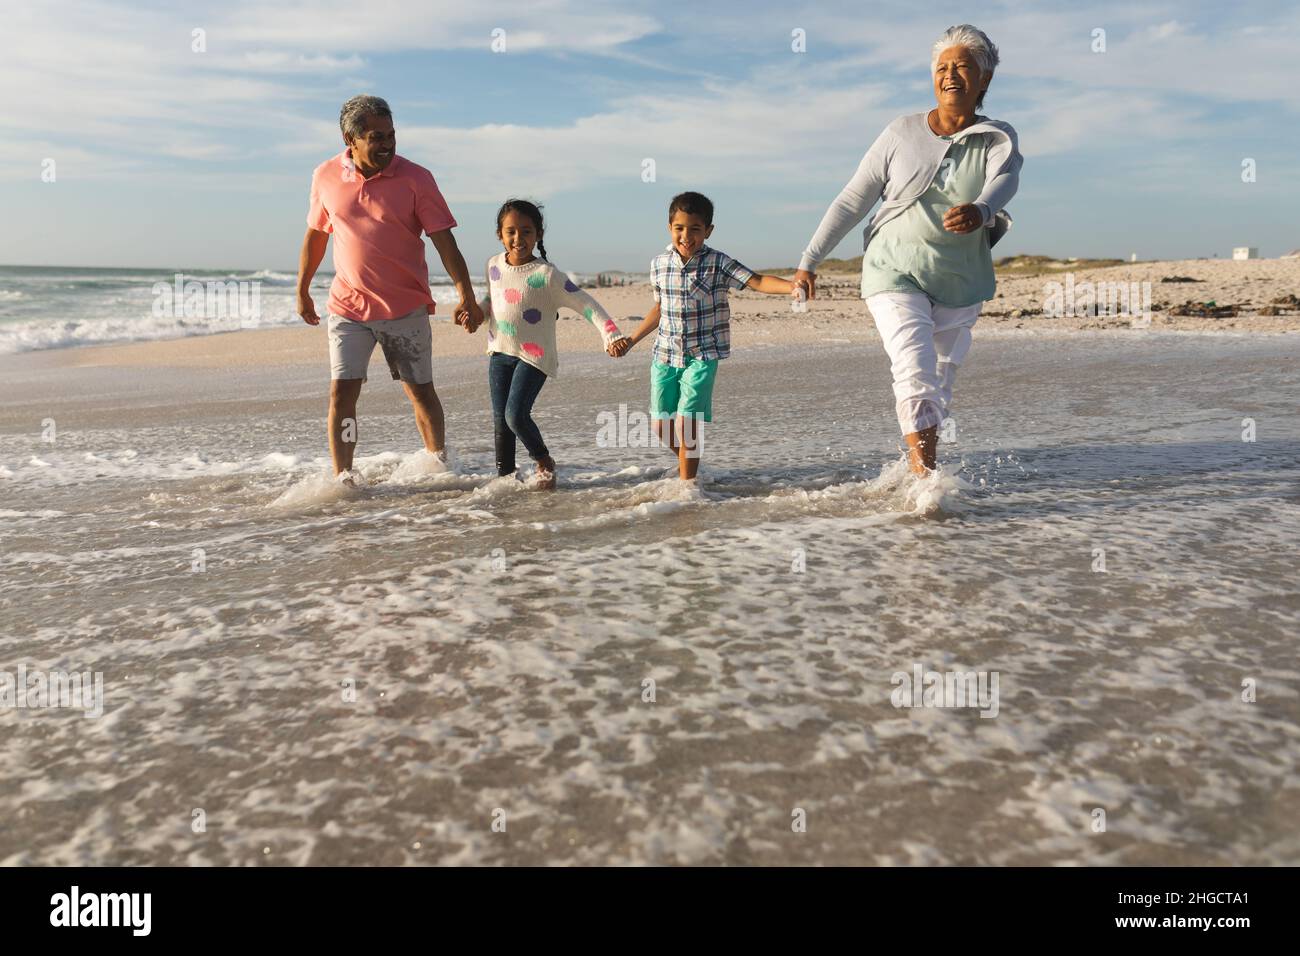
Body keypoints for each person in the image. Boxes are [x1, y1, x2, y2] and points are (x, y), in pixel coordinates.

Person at [792, 24, 1022, 475]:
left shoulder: (998, 136)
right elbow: (852, 198)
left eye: (962, 67)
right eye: (942, 67)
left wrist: (981, 209)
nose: (950, 75)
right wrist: (808, 261)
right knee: (913, 371)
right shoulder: (901, 132)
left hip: (960, 278)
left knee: (939, 382)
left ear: (985, 79)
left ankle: (916, 468)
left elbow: (1006, 179)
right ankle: (925, 482)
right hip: (892, 270)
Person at [295, 94, 483, 486]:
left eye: (391, 135)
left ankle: (438, 466)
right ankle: (344, 475)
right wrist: (303, 289)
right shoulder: (325, 175)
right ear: (351, 138)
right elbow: (316, 236)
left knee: (420, 393)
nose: (387, 144)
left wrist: (465, 293)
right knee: (341, 395)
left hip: (405, 307)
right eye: (376, 137)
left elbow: (443, 241)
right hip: (347, 308)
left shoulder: (416, 178)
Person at [612, 191, 799, 482]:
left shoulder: (718, 263)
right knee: (661, 426)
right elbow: (659, 308)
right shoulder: (659, 264)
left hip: (703, 355)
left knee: (687, 425)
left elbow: (758, 281)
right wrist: (632, 340)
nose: (687, 236)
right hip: (664, 354)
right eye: (680, 228)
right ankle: (692, 465)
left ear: (708, 231)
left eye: (695, 229)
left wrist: (793, 287)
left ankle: (688, 488)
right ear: (670, 228)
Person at [460, 200, 629, 490]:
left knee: (515, 415)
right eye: (511, 231)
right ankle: (505, 481)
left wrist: (610, 334)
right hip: (499, 352)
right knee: (500, 422)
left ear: (538, 234)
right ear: (500, 234)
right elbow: (492, 301)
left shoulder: (547, 275)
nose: (518, 239)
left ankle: (543, 460)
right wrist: (476, 315)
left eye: (526, 231)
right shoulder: (493, 265)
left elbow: (586, 304)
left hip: (534, 356)